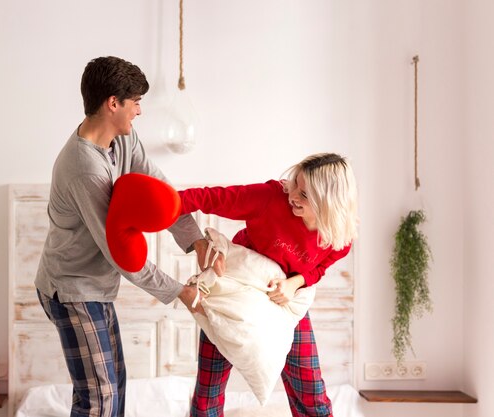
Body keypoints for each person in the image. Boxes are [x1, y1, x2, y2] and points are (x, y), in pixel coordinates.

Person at [34, 56, 211, 417]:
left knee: (113, 389)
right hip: (71, 289)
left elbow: (162, 193)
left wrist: (198, 241)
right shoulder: (84, 168)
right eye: (136, 102)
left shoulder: (122, 141)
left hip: (94, 288)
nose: (140, 111)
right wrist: (179, 291)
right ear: (112, 104)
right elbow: (120, 253)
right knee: (100, 398)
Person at [179, 153, 358, 417]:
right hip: (235, 289)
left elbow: (318, 270)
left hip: (284, 301)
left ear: (328, 202)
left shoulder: (337, 239)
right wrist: (167, 202)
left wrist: (294, 283)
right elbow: (212, 198)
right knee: (209, 386)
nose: (293, 195)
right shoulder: (271, 198)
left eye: (305, 195)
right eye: (295, 183)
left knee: (310, 389)